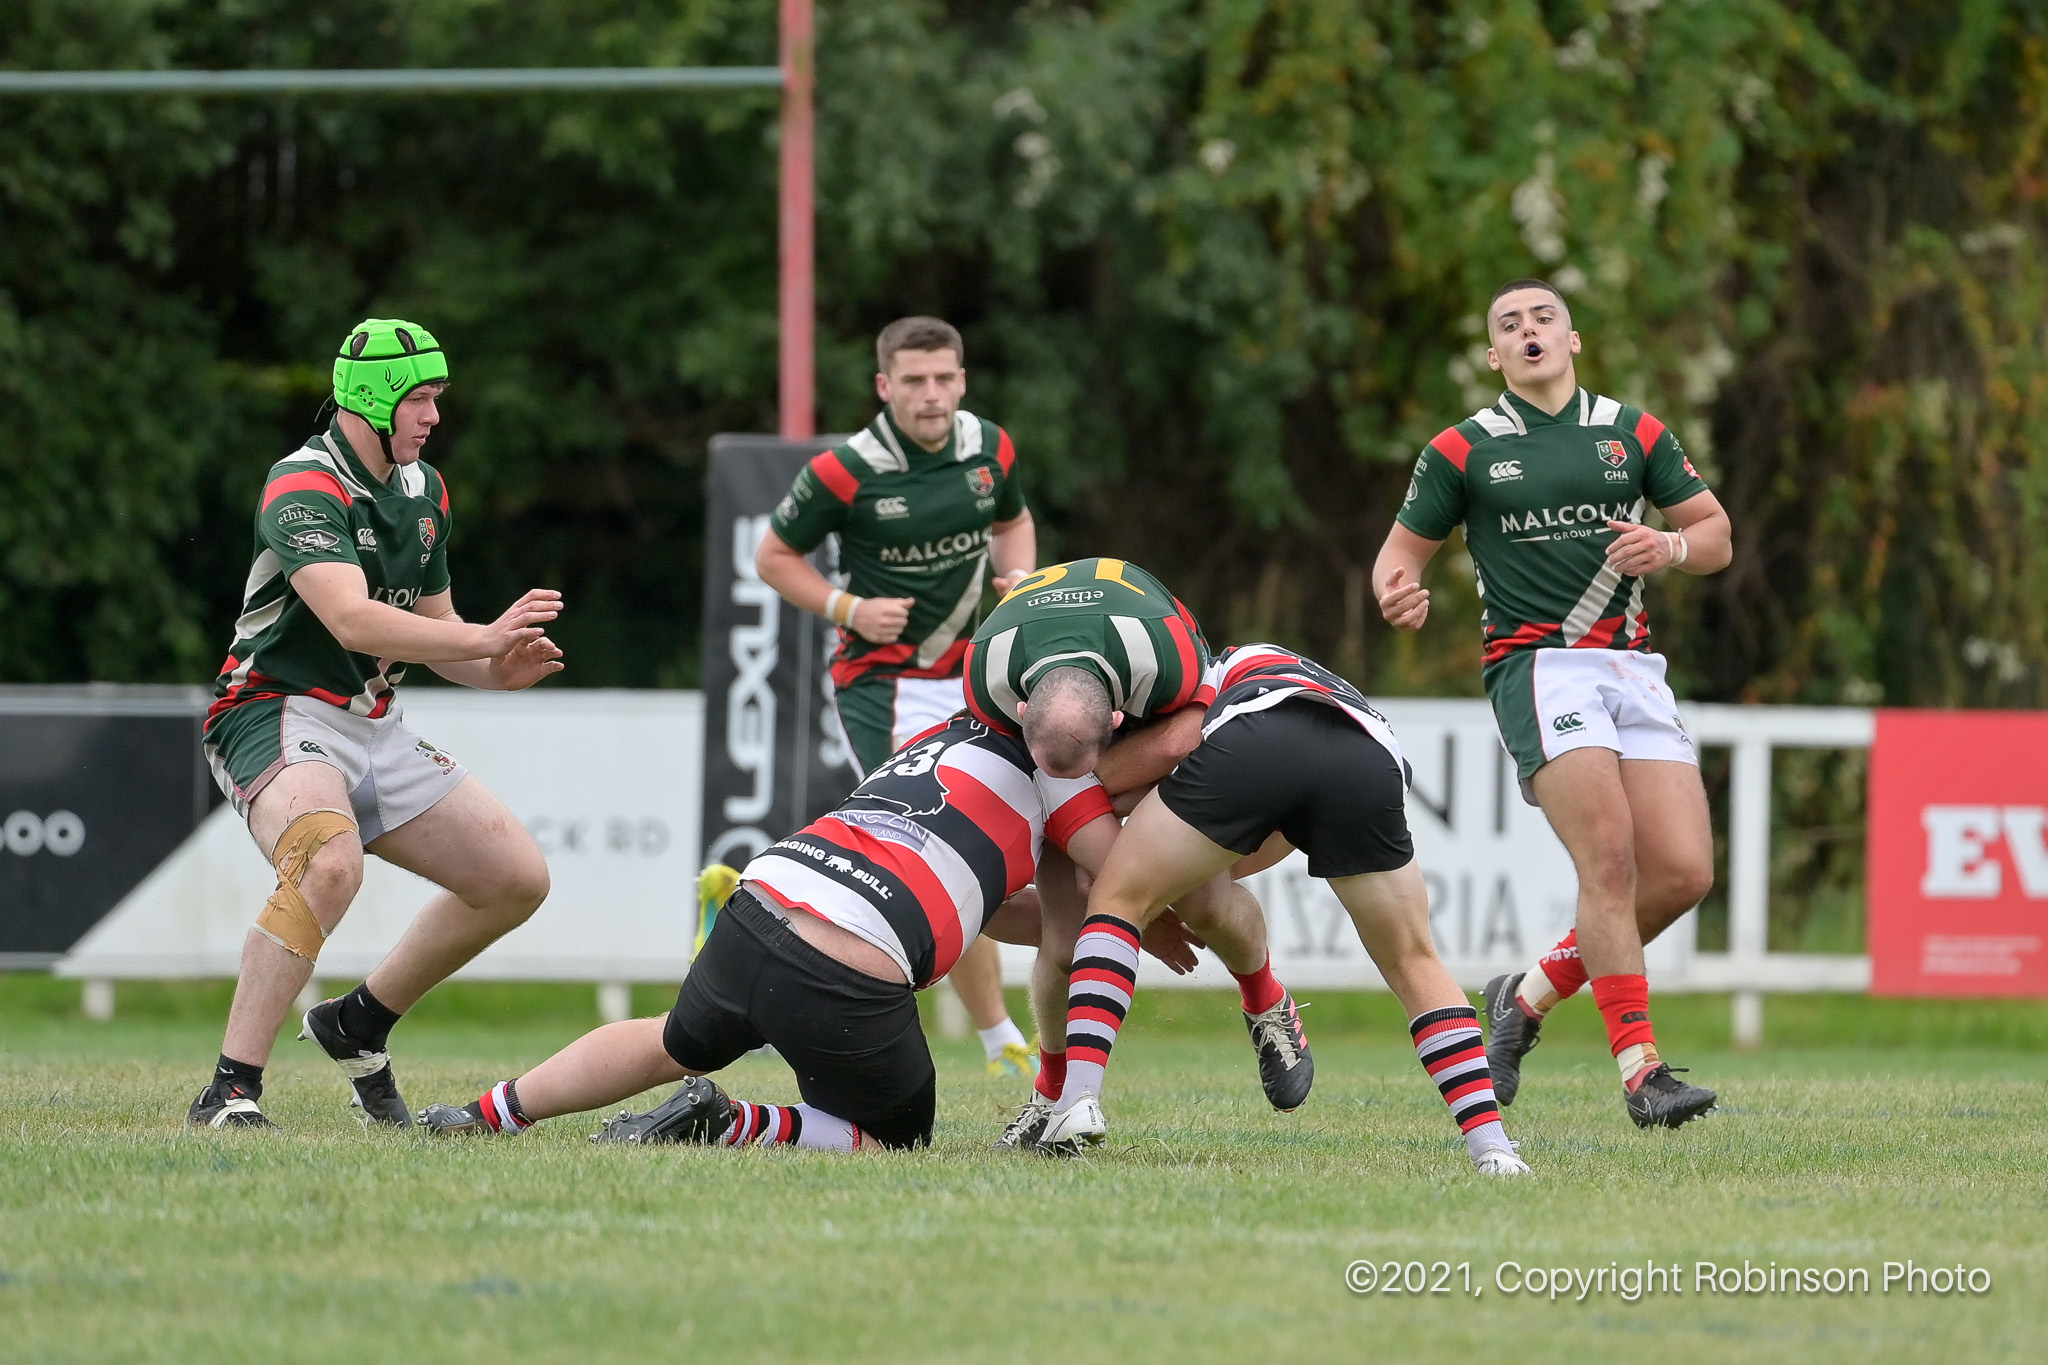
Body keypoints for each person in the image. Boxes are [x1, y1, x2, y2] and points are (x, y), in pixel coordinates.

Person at [414, 710, 1203, 1149]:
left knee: (670, 1039)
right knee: (897, 1139)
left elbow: (983, 903)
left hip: (761, 901)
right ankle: (730, 1122)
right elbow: (1102, 895)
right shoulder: (1066, 778)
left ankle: (491, 1111)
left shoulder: (939, 736)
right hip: (852, 967)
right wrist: (1141, 910)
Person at [187, 318, 565, 1130]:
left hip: (372, 721)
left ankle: (357, 1022)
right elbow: (353, 619)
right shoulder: (303, 484)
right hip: (272, 710)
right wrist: (483, 638)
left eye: (437, 397)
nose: (434, 415)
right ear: (370, 401)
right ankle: (230, 1089)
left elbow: (436, 630)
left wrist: (495, 669)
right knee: (329, 862)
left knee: (516, 879)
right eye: (419, 398)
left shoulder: (424, 490)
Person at [1373, 278, 1732, 1129]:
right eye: (1510, 324)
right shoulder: (1462, 450)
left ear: (1572, 340)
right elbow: (1398, 557)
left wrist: (1670, 545)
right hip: (1538, 669)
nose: (1528, 330)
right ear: (1494, 354)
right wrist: (1398, 592)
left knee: (1683, 873)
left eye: (1544, 318)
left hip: (1632, 668)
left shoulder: (1633, 432)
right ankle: (1642, 1073)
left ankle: (1524, 996)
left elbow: (1715, 535)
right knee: (1608, 860)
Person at [1029, 642, 1529, 1176]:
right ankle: (1493, 1148)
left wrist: (1110, 862)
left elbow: (1153, 759)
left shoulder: (1191, 683)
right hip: (1367, 754)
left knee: (1117, 900)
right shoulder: (1276, 671)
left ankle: (1075, 1102)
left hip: (1255, 739)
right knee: (1413, 959)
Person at [756, 316, 1038, 1078]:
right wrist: (847, 608)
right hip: (883, 688)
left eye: (945, 377)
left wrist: (1018, 580)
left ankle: (1007, 1036)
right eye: (914, 380)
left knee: (992, 849)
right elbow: (774, 556)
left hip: (976, 676)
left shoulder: (990, 448)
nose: (931, 393)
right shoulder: (846, 469)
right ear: (885, 386)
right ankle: (992, 1037)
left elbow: (1014, 521)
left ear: (963, 380)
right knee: (940, 847)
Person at [965, 561, 1315, 1148]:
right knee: (1063, 944)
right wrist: (1133, 908)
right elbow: (1038, 777)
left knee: (1206, 904)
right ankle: (1052, 1095)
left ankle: (1266, 1000)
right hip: (1055, 754)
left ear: (1118, 721)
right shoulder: (986, 677)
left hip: (1162, 743)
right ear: (1021, 711)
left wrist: (1134, 890)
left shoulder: (1162, 655)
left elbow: (1184, 736)